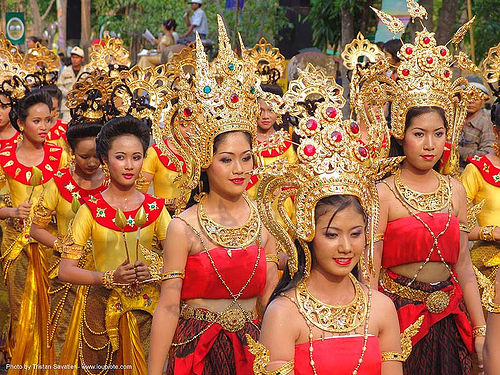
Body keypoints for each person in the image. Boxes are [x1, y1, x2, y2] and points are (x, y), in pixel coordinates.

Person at [249, 64, 403, 375]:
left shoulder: (381, 308)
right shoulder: (284, 312)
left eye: (356, 233)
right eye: (332, 235)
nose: (346, 247)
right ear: (306, 231)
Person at [148, 16, 278, 375]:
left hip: (252, 351)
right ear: (204, 162)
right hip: (195, 352)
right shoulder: (183, 227)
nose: (239, 169)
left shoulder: (265, 217)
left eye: (246, 158)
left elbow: (269, 300)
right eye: (226, 159)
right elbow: (169, 308)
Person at [370, 8, 486, 374]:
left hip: (450, 315)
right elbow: (369, 272)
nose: (429, 144)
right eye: (419, 134)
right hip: (398, 316)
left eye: (438, 134)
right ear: (400, 133)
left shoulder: (455, 189)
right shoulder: (383, 193)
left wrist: (480, 329)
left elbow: (464, 266)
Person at [58, 115, 171, 373]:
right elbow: (66, 270)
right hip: (100, 311)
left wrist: (153, 271)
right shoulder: (90, 210)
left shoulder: (156, 209)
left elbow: (177, 263)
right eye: (120, 157)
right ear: (105, 160)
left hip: (149, 315)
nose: (129, 165)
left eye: (136, 157)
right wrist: (109, 277)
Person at [30, 79, 109, 367]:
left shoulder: (115, 184)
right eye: (83, 156)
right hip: (65, 278)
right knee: (63, 344)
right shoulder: (59, 183)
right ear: (70, 150)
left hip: (104, 277)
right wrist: (61, 243)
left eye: (97, 157)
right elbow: (35, 228)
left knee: (101, 348)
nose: (91, 163)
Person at [0, 87, 68, 371]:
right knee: (21, 314)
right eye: (36, 121)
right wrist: (12, 212)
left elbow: (70, 199)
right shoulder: (3, 157)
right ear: (21, 123)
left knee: (52, 314)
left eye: (48, 120)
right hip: (16, 250)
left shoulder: (60, 155)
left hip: (52, 248)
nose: (44, 127)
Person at [460, 95, 500, 283]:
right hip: (488, 258)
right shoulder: (476, 169)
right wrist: (492, 233)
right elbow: (457, 226)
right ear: (495, 131)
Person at [458, 78, 495, 170]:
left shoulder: (486, 123)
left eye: (476, 97)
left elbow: (487, 155)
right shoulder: (453, 118)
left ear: (483, 100)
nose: (471, 101)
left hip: (471, 172)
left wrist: (455, 150)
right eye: (467, 96)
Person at [58, 46, 86, 123]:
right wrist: (68, 93)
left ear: (82, 59)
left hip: (82, 106)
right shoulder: (65, 71)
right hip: (67, 106)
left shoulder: (86, 72)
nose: (74, 60)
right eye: (73, 57)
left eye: (77, 57)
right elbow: (59, 86)